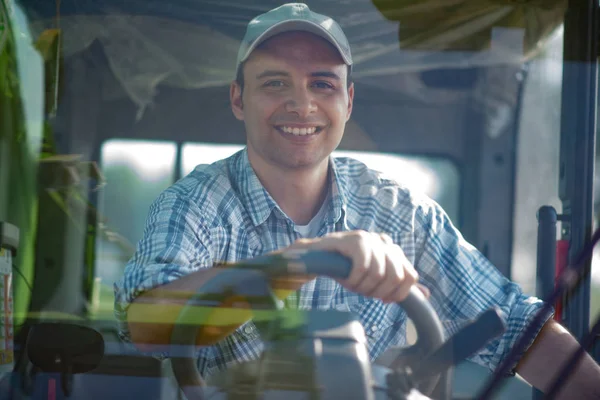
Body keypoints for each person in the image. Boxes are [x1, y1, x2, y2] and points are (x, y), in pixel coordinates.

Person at [114, 3, 600, 398]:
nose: (301, 105)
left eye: (321, 84)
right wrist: (302, 261)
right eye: (274, 82)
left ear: (348, 101)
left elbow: (515, 327)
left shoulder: (399, 212)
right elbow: (147, 323)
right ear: (238, 99)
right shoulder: (195, 204)